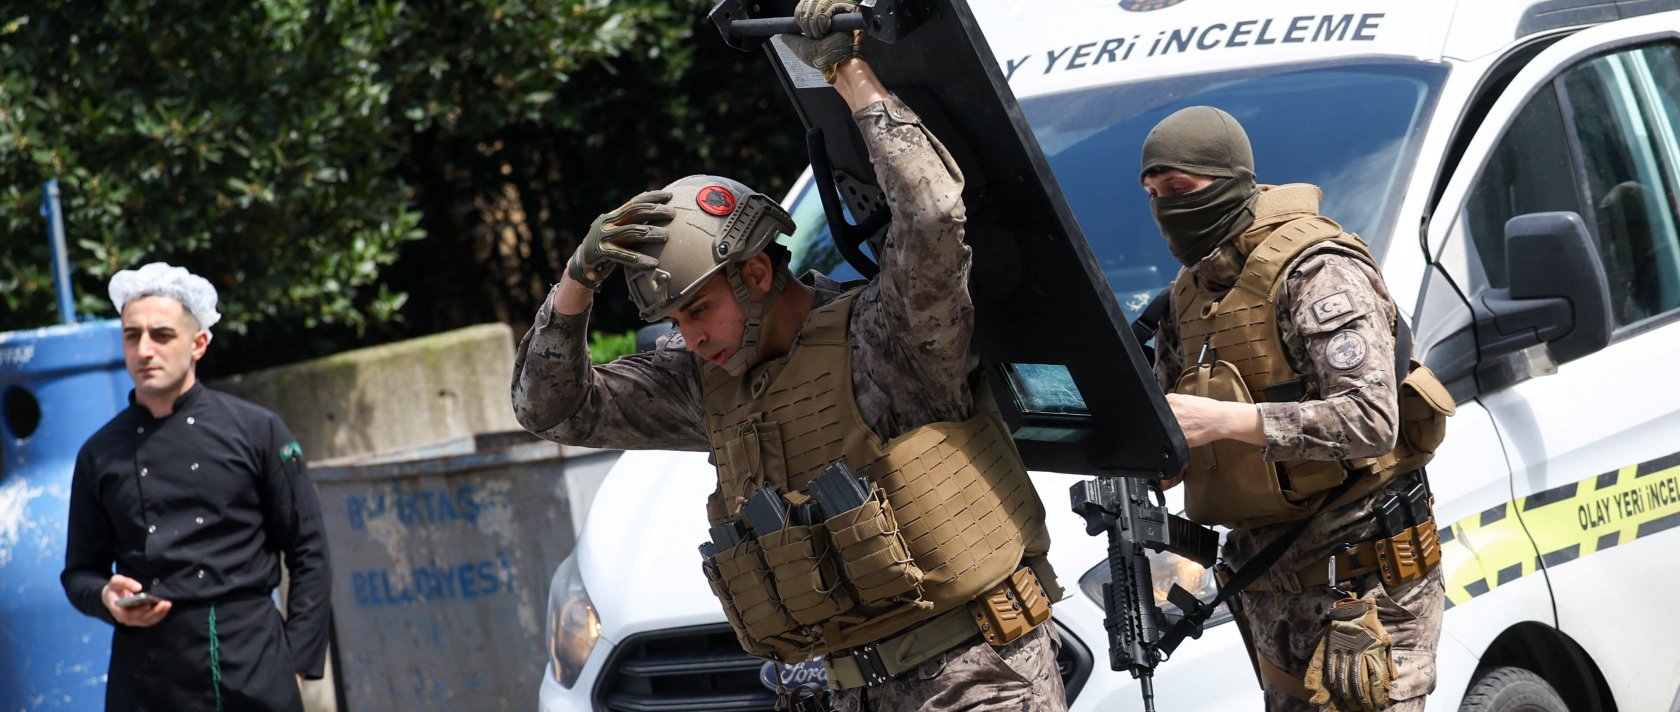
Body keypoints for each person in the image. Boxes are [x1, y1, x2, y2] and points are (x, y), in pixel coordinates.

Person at [510, 3, 1064, 710]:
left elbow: (929, 214)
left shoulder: (888, 339)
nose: (692, 337)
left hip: (973, 679)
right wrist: (575, 285)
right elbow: (549, 410)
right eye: (677, 320)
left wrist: (846, 70)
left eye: (700, 310)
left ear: (760, 275)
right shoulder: (703, 382)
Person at [1141, 106, 1451, 711]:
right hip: (1265, 587)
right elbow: (1174, 426)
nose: (1164, 208)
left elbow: (1370, 419)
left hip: (1363, 587)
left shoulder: (1317, 270)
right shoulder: (1189, 295)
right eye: (1153, 194)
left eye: (1180, 190)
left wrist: (1230, 422)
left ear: (1229, 180)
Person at [61, 262, 332, 711]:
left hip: (252, 662)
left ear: (198, 343)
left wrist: (297, 663)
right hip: (148, 674)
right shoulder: (99, 453)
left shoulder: (258, 431)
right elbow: (78, 574)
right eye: (132, 335)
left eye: (162, 335)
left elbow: (309, 552)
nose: (144, 349)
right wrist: (106, 597)